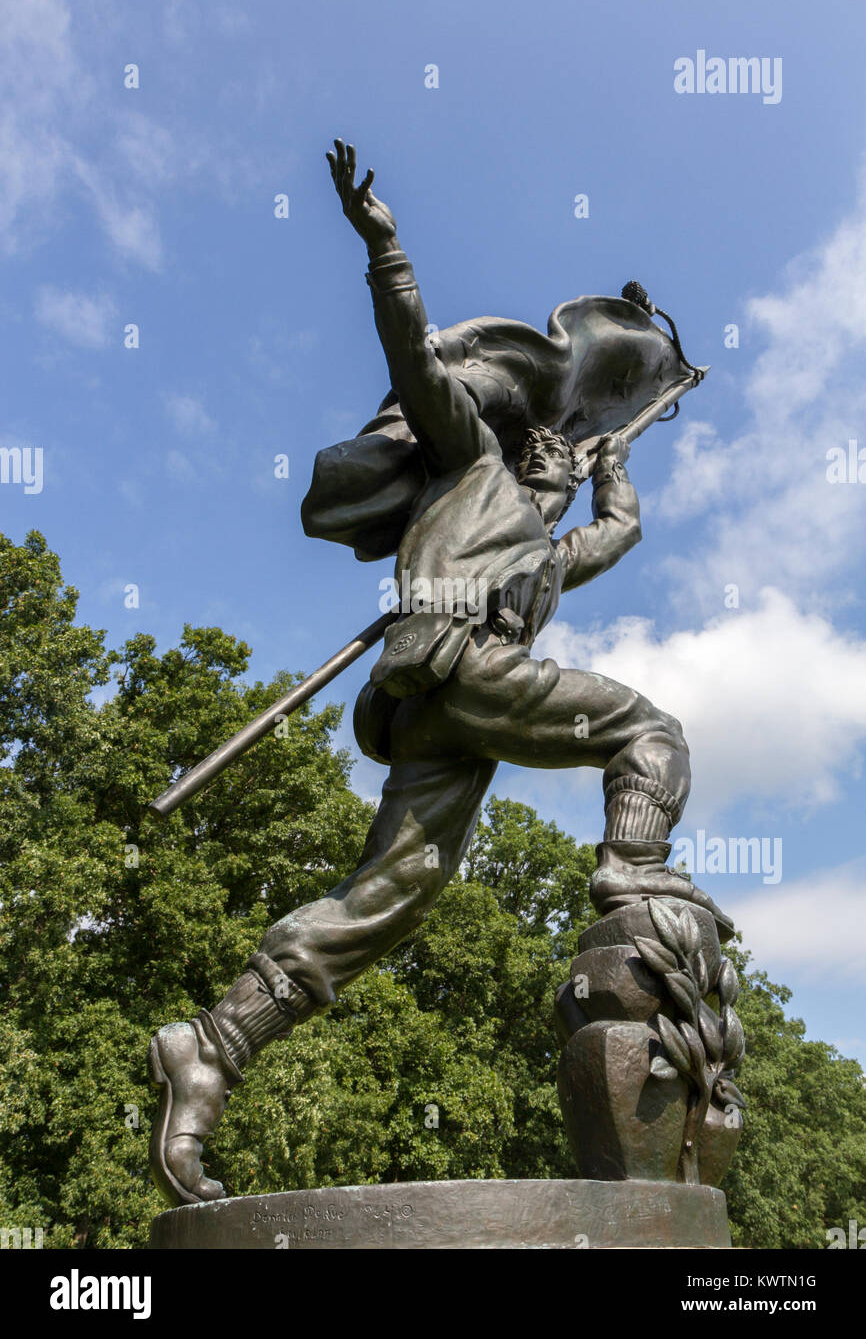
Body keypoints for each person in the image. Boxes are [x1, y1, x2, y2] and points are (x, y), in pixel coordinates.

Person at [149, 142, 731, 1208]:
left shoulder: (547, 557)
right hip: (455, 664)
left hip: (445, 719)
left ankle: (213, 1046)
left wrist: (617, 465)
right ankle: (628, 873)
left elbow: (622, 531)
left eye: (569, 453)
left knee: (389, 898)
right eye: (546, 446)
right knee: (647, 732)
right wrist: (386, 248)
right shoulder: (470, 464)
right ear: (516, 450)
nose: (557, 454)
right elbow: (416, 358)